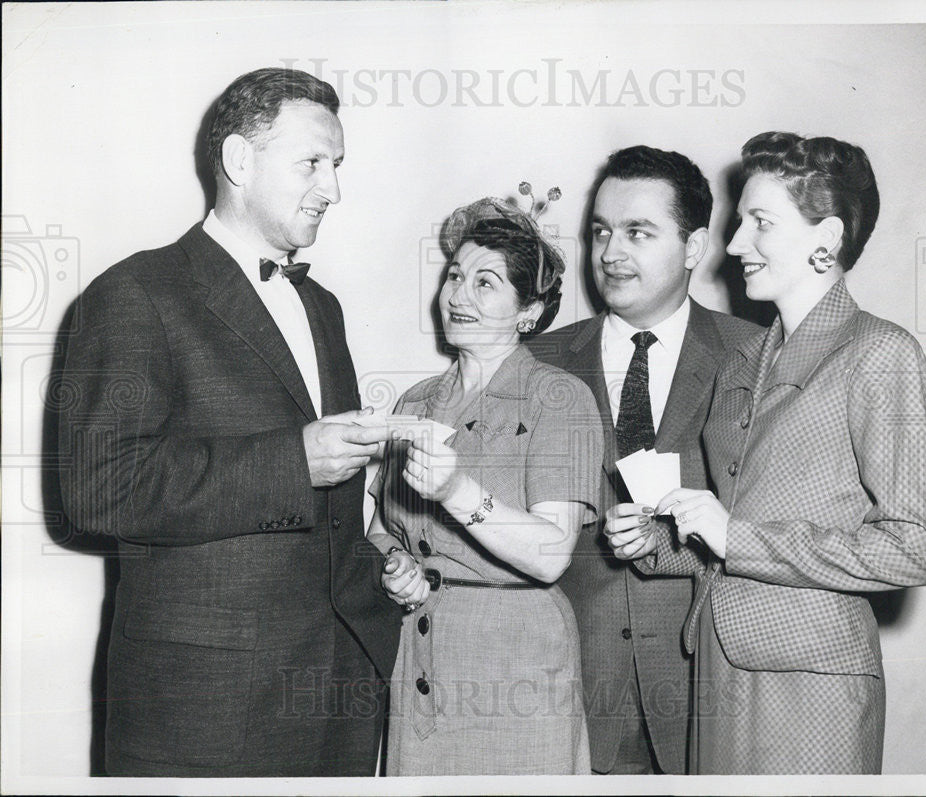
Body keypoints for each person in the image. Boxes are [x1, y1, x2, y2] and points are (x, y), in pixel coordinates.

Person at [57, 68, 398, 776]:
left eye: (336, 166)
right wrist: (293, 461)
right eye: (313, 162)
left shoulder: (322, 306)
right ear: (240, 161)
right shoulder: (134, 293)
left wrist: (382, 567)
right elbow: (96, 489)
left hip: (336, 695)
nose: (333, 187)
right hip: (204, 710)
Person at [606, 131, 926, 774]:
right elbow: (724, 531)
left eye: (760, 223)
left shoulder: (881, 355)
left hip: (809, 683)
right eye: (739, 224)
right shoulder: (740, 363)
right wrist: (655, 540)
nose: (734, 246)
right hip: (715, 667)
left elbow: (914, 546)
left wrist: (739, 538)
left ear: (827, 238)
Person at [527, 146, 760, 774]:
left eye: (637, 231)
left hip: (709, 692)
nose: (609, 253)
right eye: (600, 231)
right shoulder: (534, 364)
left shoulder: (758, 357)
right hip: (570, 693)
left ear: (693, 247)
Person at [367, 192, 604, 775]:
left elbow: (551, 555)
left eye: (486, 283)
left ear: (529, 311)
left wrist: (457, 492)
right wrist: (395, 565)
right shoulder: (416, 401)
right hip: (421, 656)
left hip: (519, 666)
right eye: (454, 276)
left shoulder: (562, 399)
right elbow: (378, 528)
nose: (458, 296)